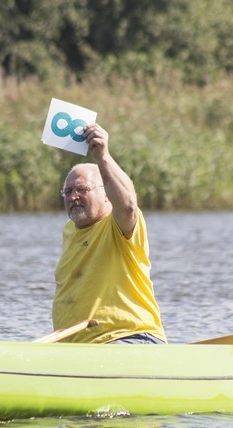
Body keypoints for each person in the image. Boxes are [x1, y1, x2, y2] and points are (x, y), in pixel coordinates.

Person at [52, 123, 166, 344]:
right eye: (68, 191)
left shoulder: (118, 225)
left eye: (82, 190)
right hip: (77, 351)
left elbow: (128, 206)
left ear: (107, 197)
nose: (73, 197)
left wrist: (103, 157)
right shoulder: (69, 231)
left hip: (129, 339)